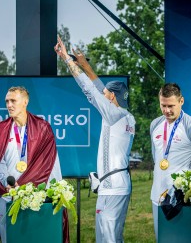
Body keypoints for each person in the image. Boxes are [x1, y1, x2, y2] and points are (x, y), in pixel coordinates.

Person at [54, 36, 135, 243]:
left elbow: (91, 90)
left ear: (111, 97)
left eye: (107, 93)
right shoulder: (125, 115)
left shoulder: (113, 114)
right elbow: (100, 88)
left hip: (112, 187)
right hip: (115, 185)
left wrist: (67, 60)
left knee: (108, 240)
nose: (103, 94)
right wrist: (86, 65)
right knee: (111, 237)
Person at [0, 86, 69, 243]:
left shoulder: (42, 127)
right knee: (10, 238)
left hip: (37, 195)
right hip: (7, 195)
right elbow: (0, 162)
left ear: (25, 102)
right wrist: (6, 182)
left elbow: (51, 163)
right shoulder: (2, 129)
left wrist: (56, 192)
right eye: (7, 101)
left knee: (37, 237)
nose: (9, 105)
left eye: (13, 101)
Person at [150, 83, 191, 241]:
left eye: (171, 105)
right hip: (157, 197)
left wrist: (186, 195)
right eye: (163, 105)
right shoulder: (155, 125)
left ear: (181, 101)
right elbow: (156, 159)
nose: (166, 110)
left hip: (181, 202)